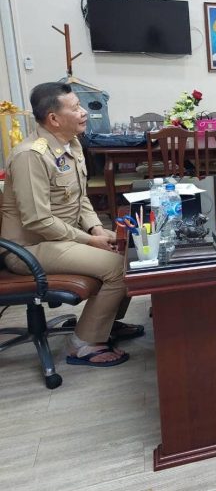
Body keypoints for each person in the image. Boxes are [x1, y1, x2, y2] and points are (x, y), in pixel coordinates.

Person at [0, 82, 142, 367]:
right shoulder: (31, 156)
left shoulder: (71, 144)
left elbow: (80, 198)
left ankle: (104, 324)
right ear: (54, 118)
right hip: (29, 248)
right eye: (75, 108)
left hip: (61, 238)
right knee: (118, 267)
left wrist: (96, 229)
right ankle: (84, 344)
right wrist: (89, 241)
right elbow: (38, 220)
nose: (84, 112)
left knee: (129, 251)